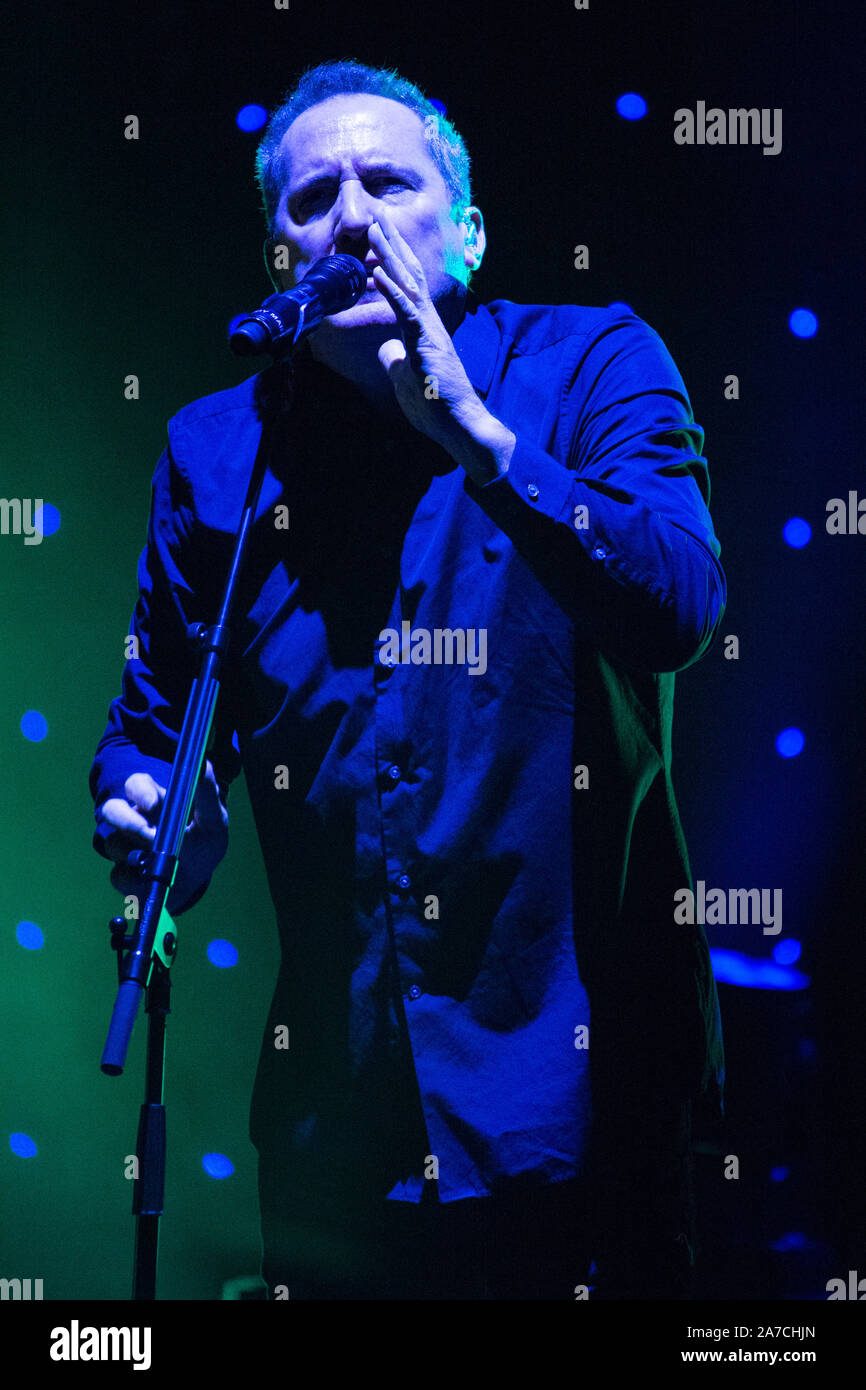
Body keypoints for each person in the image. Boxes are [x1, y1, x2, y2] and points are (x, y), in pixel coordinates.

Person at [89, 59, 725, 1300]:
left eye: (388, 181)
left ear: (468, 232)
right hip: (340, 1135)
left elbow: (678, 610)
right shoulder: (215, 452)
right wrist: (156, 806)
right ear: (277, 256)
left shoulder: (590, 363)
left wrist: (479, 443)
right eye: (310, 198)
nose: (352, 218)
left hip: (584, 1112)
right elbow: (146, 729)